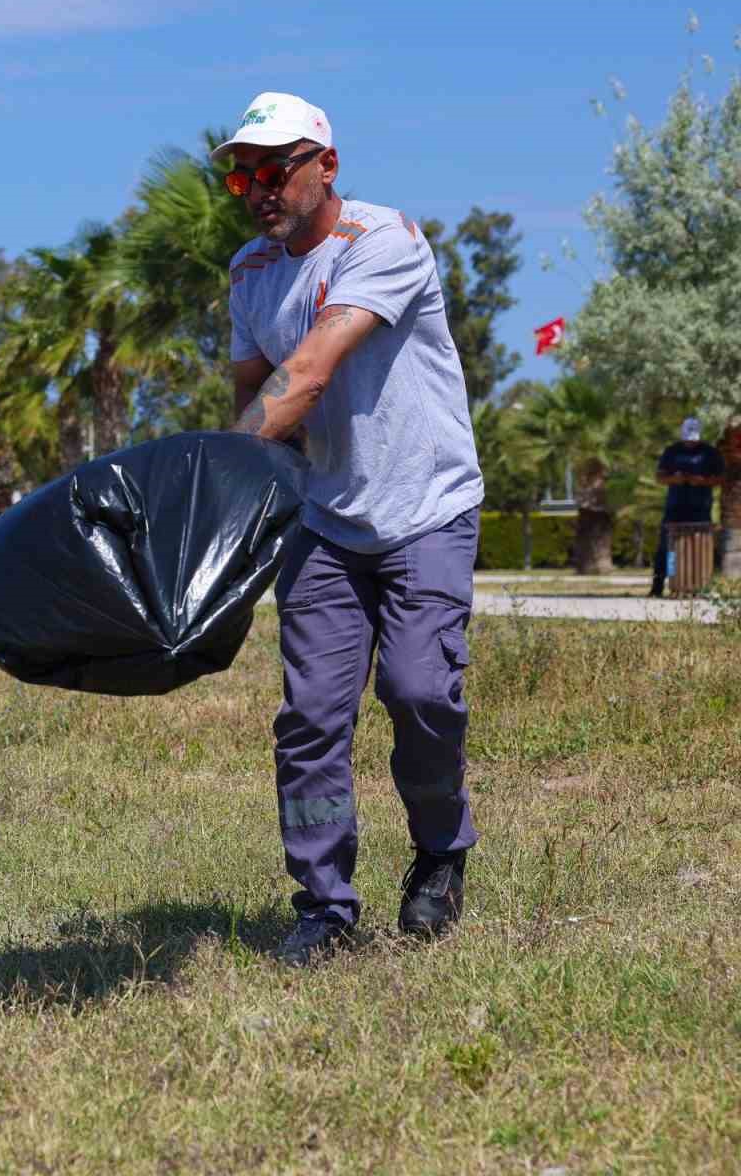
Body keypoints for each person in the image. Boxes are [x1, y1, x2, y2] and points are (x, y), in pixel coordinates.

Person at [220, 91, 485, 966]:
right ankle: (325, 906)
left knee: (419, 692)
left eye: (275, 169)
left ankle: (440, 852)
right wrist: (237, 497)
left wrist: (212, 483)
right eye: (242, 176)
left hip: (424, 508)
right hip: (327, 520)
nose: (259, 189)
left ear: (326, 164)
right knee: (310, 721)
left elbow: (308, 372)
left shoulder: (383, 242)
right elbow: (252, 397)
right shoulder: (250, 272)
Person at [649, 417, 723, 597]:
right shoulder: (671, 451)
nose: (690, 442)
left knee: (701, 547)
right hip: (674, 508)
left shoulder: (710, 453)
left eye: (693, 439)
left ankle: (702, 585)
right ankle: (663, 584)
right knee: (669, 548)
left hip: (701, 508)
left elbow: (721, 478)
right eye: (687, 439)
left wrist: (702, 481)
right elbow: (659, 477)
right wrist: (675, 479)